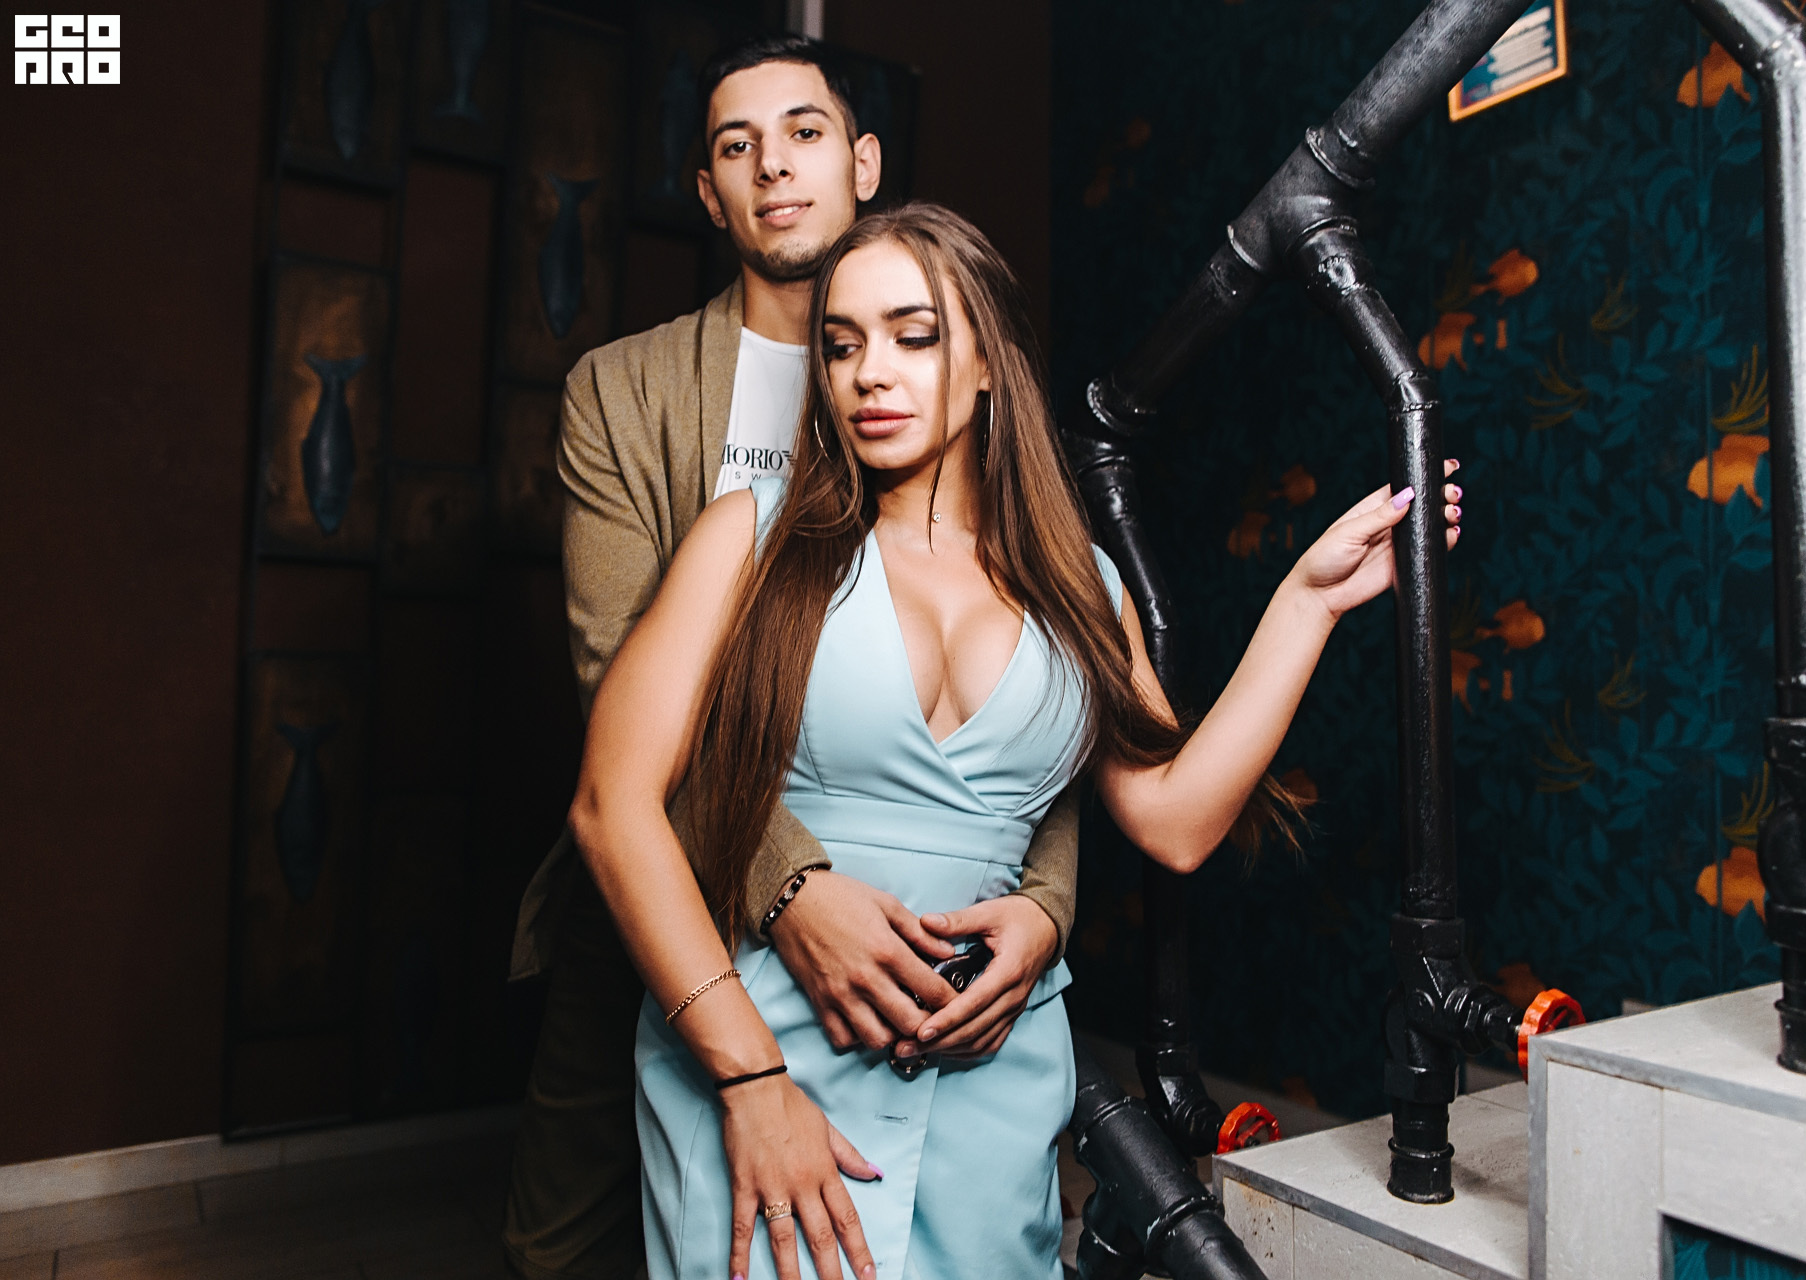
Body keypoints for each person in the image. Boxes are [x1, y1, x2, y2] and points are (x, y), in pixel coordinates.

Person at [570, 202, 1465, 1280]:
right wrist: (748, 1081)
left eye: (913, 335)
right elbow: (612, 805)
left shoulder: (1078, 580)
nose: (868, 373)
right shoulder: (751, 537)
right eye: (841, 345)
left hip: (990, 1087)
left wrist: (1307, 604)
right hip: (766, 1057)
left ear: (989, 360)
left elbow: (1175, 819)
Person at [502, 37, 1079, 1280]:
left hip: (916, 957)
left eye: (805, 132)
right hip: (661, 896)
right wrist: (786, 883)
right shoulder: (623, 390)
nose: (773, 165)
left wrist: (1045, 901)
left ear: (864, 162)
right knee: (559, 1240)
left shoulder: (945, 385)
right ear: (708, 194)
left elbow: (1037, 708)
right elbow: (622, 693)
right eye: (736, 144)